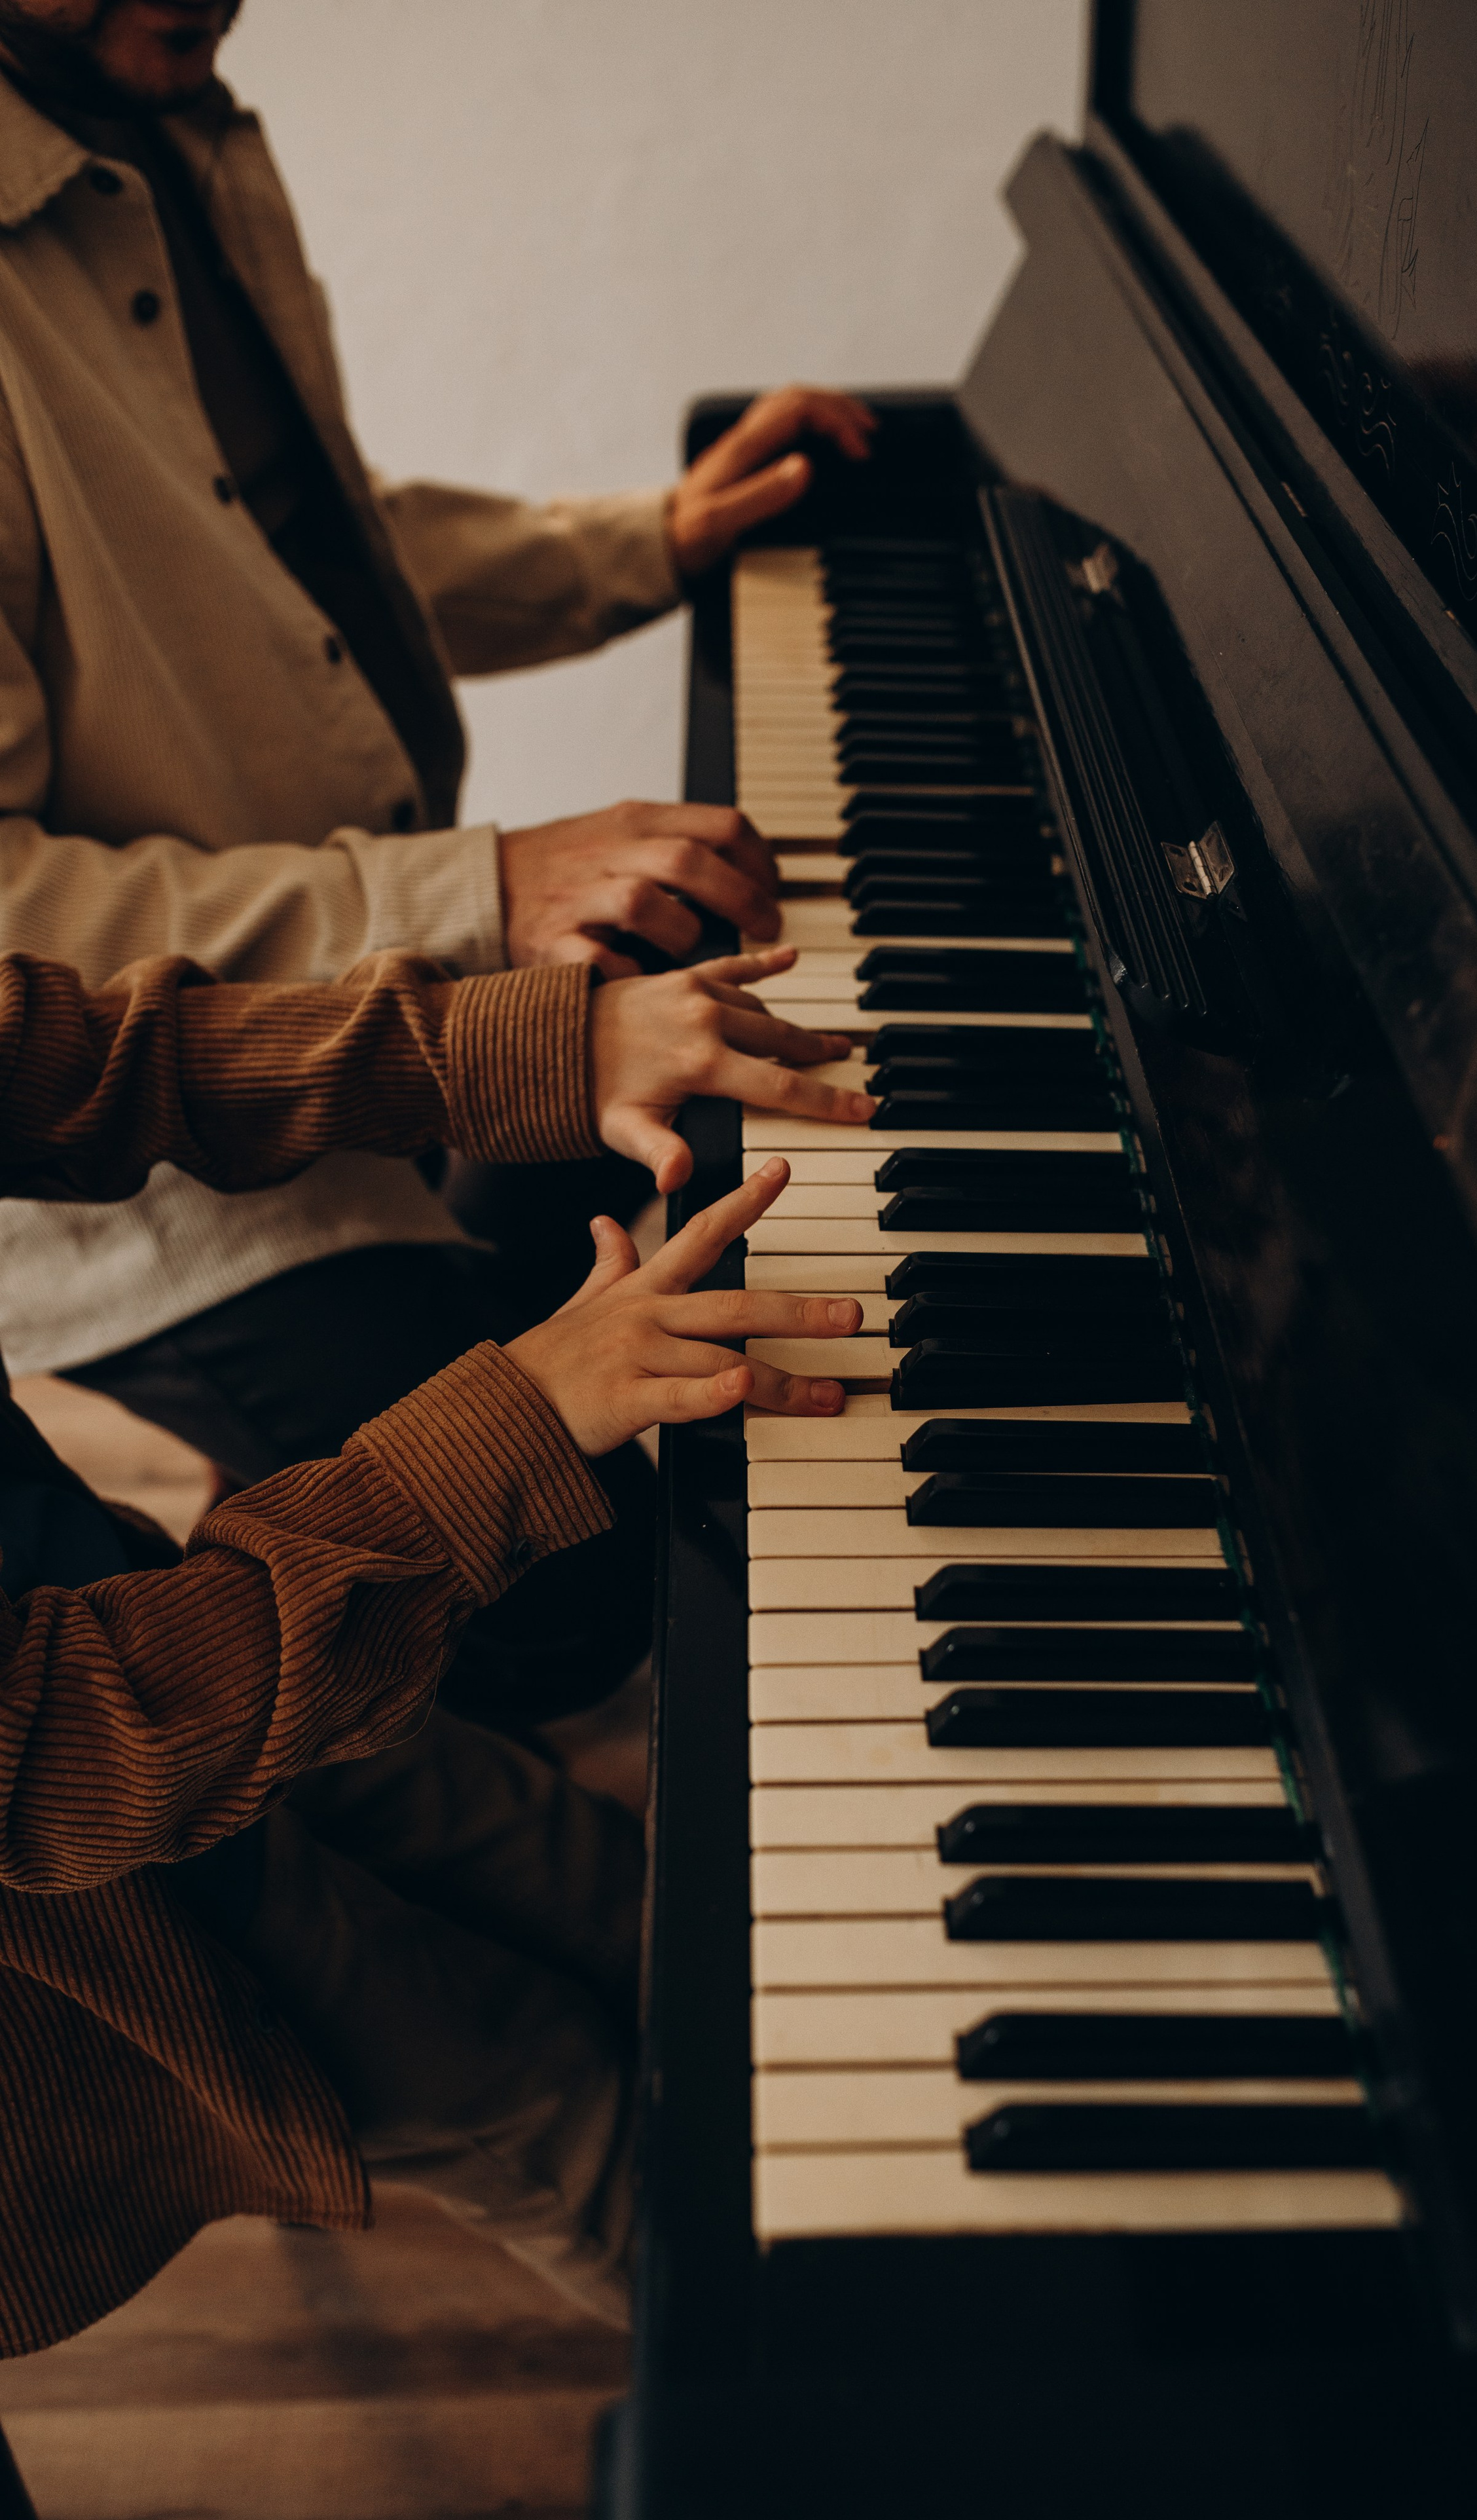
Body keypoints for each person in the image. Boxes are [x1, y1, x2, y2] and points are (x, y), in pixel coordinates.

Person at [0, 0, 875, 1719]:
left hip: (370, 1042)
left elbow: (271, 545)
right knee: (580, 1596)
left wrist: (637, 545)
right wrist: (473, 896)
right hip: (144, 1182)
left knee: (683, 997)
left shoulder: (167, 114)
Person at [0, 942, 863, 2356]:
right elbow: (62, 1745)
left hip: (163, 1614)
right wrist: (511, 1424)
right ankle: (850, 2393)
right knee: (543, 2097)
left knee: (623, 1897)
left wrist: (512, 1046)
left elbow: (84, 1060)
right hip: (85, 1922)